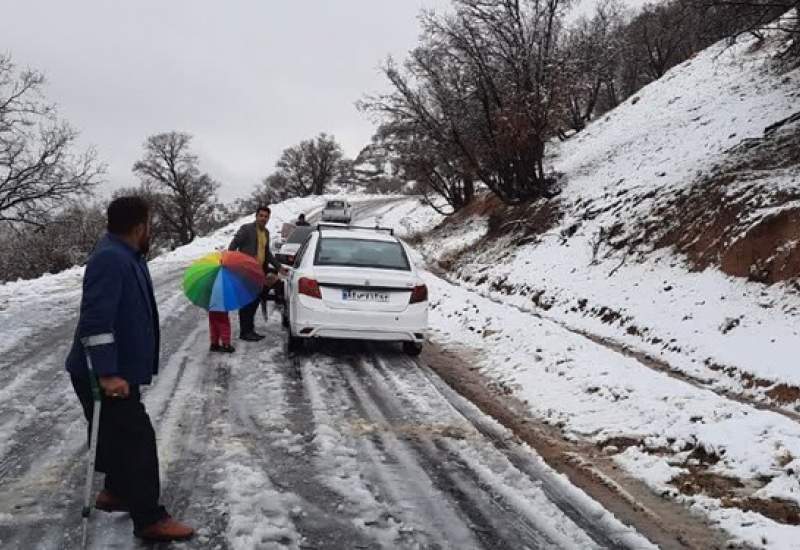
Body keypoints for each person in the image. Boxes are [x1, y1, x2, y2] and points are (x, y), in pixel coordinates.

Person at [65, 196, 194, 542]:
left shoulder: (126, 255)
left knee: (113, 434)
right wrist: (106, 373)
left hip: (115, 371)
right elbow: (95, 321)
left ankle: (117, 492)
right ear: (140, 227)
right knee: (138, 441)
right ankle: (150, 519)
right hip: (103, 374)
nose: (150, 230)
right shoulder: (110, 259)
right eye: (149, 224)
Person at [228, 206, 287, 341]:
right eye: (261, 215)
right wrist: (233, 262)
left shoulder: (266, 233)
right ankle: (245, 332)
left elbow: (267, 253)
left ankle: (250, 329)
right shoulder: (246, 229)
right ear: (256, 216)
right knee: (246, 302)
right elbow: (233, 245)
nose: (263, 218)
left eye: (266, 216)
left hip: (259, 272)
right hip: (246, 272)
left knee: (254, 301)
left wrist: (278, 267)